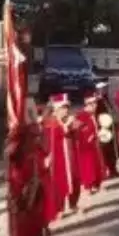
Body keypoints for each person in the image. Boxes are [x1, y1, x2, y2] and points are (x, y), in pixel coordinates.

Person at [7, 122, 46, 236]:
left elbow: (42, 166)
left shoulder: (36, 150)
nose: (37, 138)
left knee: (35, 234)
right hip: (21, 199)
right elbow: (15, 176)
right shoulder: (17, 152)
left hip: (35, 195)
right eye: (34, 136)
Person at [41, 94, 81, 224]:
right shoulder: (51, 122)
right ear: (57, 109)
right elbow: (54, 137)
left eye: (67, 107)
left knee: (73, 178)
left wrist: (74, 125)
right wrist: (66, 126)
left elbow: (77, 129)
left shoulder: (66, 119)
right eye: (64, 108)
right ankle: (59, 209)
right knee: (59, 184)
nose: (67, 110)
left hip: (69, 155)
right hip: (58, 159)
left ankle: (73, 203)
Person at [75, 93, 107, 194]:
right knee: (88, 166)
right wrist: (88, 136)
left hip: (94, 144)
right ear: (87, 105)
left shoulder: (93, 114)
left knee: (97, 164)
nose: (95, 105)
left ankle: (96, 184)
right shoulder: (81, 116)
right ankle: (89, 186)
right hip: (85, 147)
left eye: (95, 103)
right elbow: (77, 131)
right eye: (91, 103)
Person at [93, 80, 119, 178]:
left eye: (106, 88)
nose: (105, 90)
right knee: (106, 151)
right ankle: (108, 170)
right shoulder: (97, 102)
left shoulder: (106, 99)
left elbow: (111, 112)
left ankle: (114, 169)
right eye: (103, 89)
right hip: (104, 129)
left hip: (111, 127)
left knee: (113, 150)